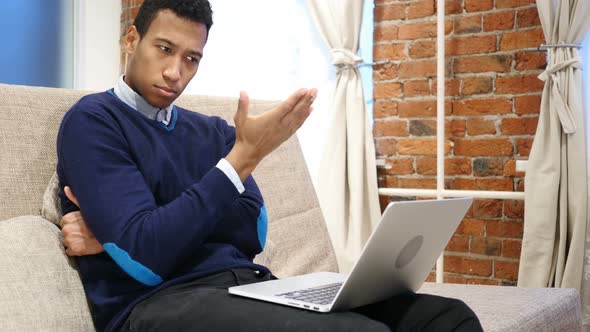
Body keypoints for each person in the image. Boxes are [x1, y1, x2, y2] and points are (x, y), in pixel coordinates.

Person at [58, 0, 483, 331]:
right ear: (132, 40)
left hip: (250, 284)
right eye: (164, 49)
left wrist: (137, 226)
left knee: (447, 318)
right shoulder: (94, 121)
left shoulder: (215, 132)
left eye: (192, 58)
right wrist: (240, 161)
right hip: (155, 307)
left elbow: (252, 232)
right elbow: (148, 259)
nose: (175, 72)